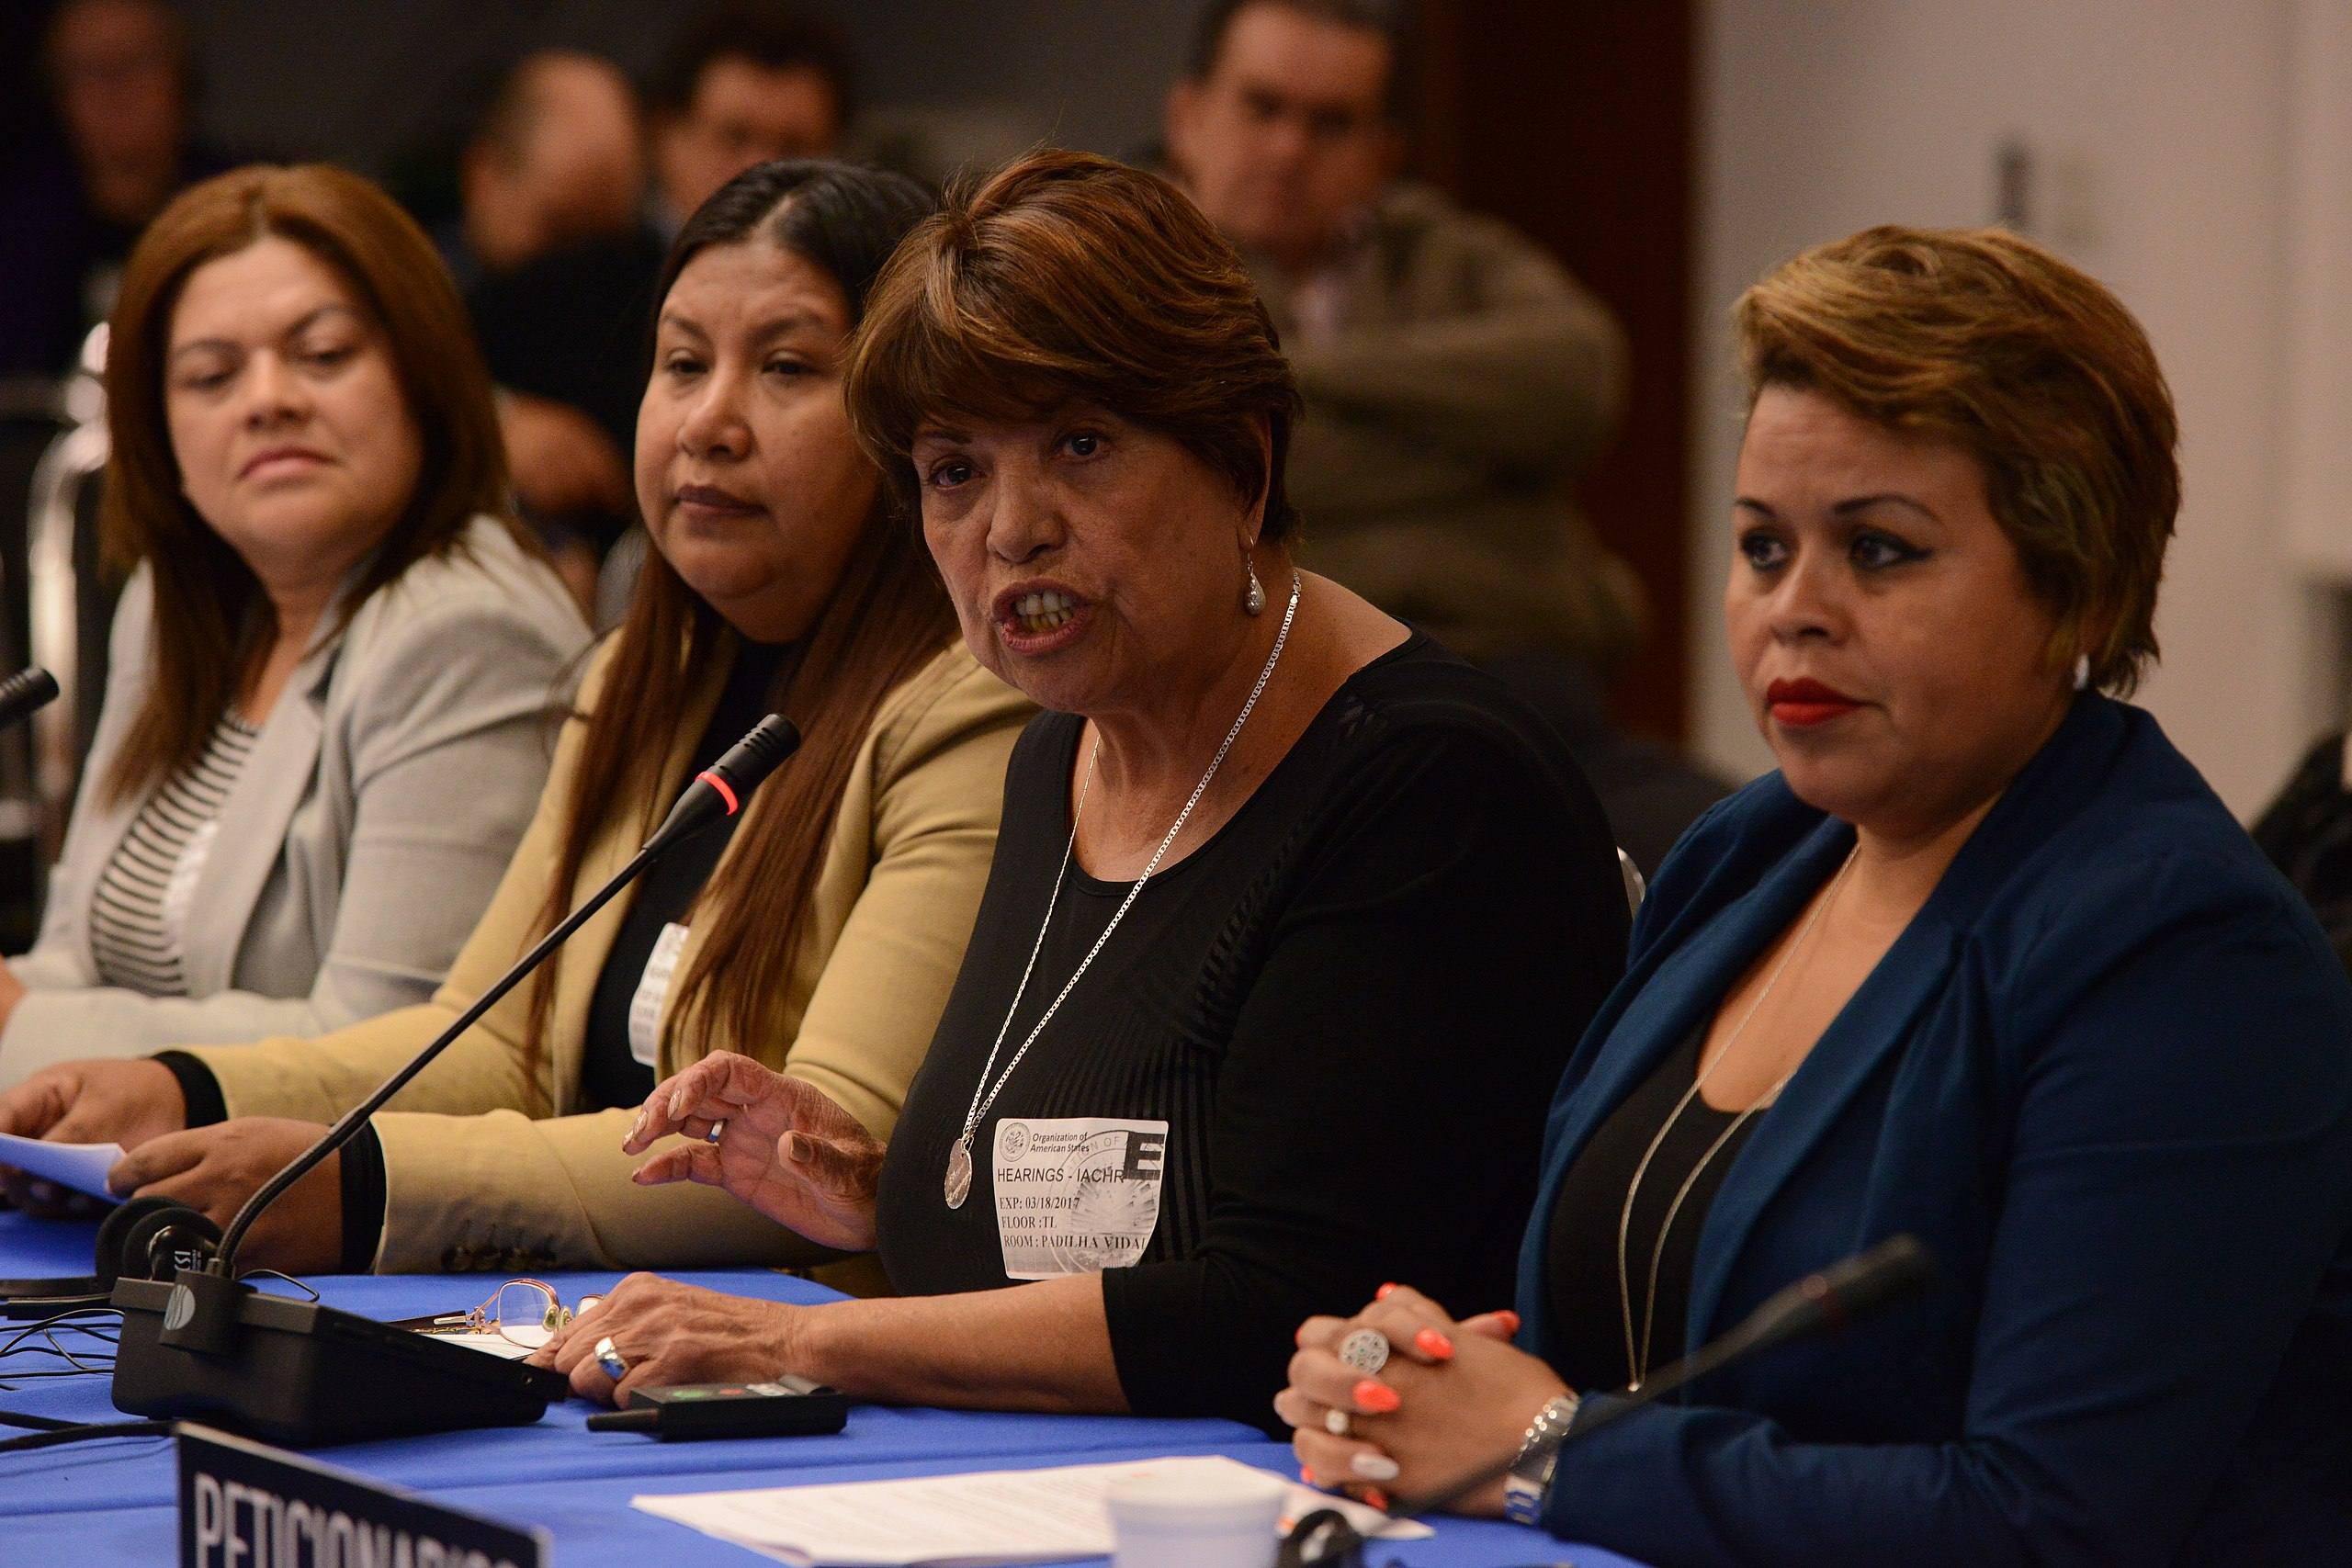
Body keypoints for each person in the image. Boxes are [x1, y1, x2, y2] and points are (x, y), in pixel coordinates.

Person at [1276, 226, 2352, 1562]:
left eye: (1882, 550)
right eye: (1762, 545)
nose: (1796, 608)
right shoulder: (1750, 851)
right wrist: (1418, 1378)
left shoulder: (2184, 956)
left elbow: (2048, 1521)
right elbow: (1606, 1337)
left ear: (2076, 586)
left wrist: (1547, 1449)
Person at [525, 150, 1630, 1434]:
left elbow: (1268, 1305)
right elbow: (1114, 1202)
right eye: (954, 470)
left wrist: (797, 1333)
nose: (1011, 527)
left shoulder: (1428, 784)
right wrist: (878, 1192)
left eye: (1082, 445)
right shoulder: (1062, 751)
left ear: (1245, 464)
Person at [0, 161, 1031, 1280]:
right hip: (596, 1323)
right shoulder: (643, 678)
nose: (708, 423)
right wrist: (182, 1086)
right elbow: (495, 1041)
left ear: (917, 429)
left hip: (803, 1365)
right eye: (681, 364)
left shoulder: (969, 710)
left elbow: (818, 1158)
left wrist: (369, 1188)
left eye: (785, 368)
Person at [0, 164, 587, 1089]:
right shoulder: (177, 600)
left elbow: (393, 1043)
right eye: (211, 375)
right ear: (159, 430)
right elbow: (74, 955)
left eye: (322, 355)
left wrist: (30, 1035)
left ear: (422, 380)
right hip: (140, 1199)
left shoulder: (468, 634)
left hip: (314, 1223)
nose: (267, 399)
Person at [1164, 0, 1730, 871]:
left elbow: (1580, 378)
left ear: (1383, 154)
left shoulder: (1444, 253)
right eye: (1263, 107)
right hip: (1328, 730)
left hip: (1550, 702)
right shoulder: (1145, 280)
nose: (1288, 149)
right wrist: (1480, 452)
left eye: (1331, 124)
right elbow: (1234, 471)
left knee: (1762, 858)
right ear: (1189, 115)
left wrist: (1300, 378)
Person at [0, 0, 232, 378]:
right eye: (90, 70)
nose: (116, 91)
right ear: (56, 93)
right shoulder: (16, 234)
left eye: (135, 62)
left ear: (183, 77)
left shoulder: (238, 214)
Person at [647, 5, 854, 238]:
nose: (761, 171)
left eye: (793, 148)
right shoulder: (603, 264)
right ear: (665, 133)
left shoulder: (868, 271)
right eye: (736, 137)